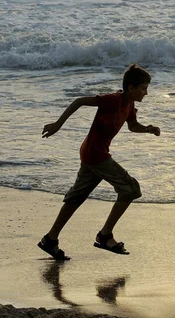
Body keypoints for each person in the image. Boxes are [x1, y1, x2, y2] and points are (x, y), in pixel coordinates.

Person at [37, 64, 160, 261]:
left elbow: (133, 126)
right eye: (143, 88)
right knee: (130, 189)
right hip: (96, 154)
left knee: (76, 198)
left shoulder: (129, 106)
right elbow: (79, 101)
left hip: (92, 154)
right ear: (131, 88)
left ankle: (50, 239)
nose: (146, 93)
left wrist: (148, 129)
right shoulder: (112, 100)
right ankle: (105, 235)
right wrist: (58, 125)